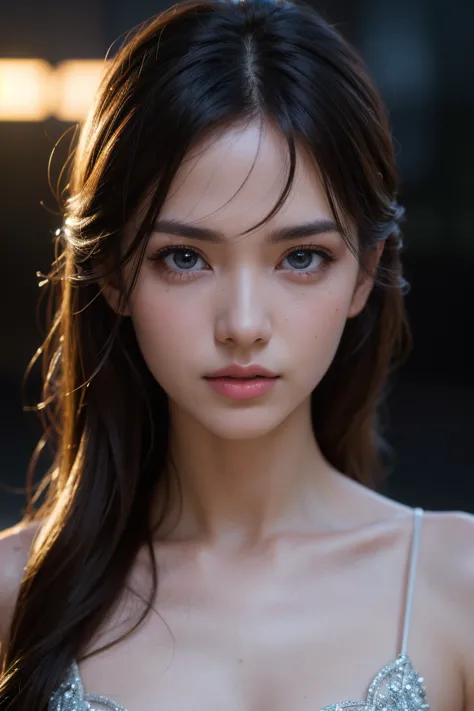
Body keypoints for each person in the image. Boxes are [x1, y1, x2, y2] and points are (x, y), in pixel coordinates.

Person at [0, 0, 473, 708]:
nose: (244, 324)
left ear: (365, 273)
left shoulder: (457, 582)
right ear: (112, 274)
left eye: (301, 256)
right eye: (185, 257)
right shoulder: (14, 592)